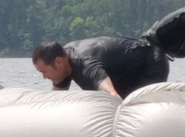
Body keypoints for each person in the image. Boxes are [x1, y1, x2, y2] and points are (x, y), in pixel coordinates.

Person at [32, 36, 169, 99]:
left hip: (150, 62)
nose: (44, 77)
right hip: (124, 74)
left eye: (44, 71)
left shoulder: (85, 64)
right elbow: (56, 99)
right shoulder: (63, 63)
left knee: (131, 104)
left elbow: (112, 96)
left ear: (58, 62)